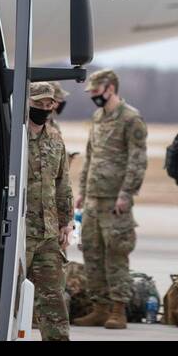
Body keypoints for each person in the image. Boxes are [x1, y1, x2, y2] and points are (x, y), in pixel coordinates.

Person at [74, 68, 148, 330]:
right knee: (92, 252)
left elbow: (137, 160)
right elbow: (90, 156)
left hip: (115, 200)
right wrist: (82, 190)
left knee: (116, 254)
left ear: (110, 88)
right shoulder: (97, 116)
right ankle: (99, 307)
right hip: (94, 198)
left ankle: (118, 310)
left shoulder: (131, 119)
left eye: (96, 91)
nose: (93, 96)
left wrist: (126, 194)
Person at [24, 82, 73, 340]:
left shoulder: (55, 140)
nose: (44, 109)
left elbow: (63, 184)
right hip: (20, 233)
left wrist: (67, 223)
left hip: (48, 233)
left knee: (53, 299)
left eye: (48, 105)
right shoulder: (15, 137)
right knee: (10, 298)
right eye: (38, 104)